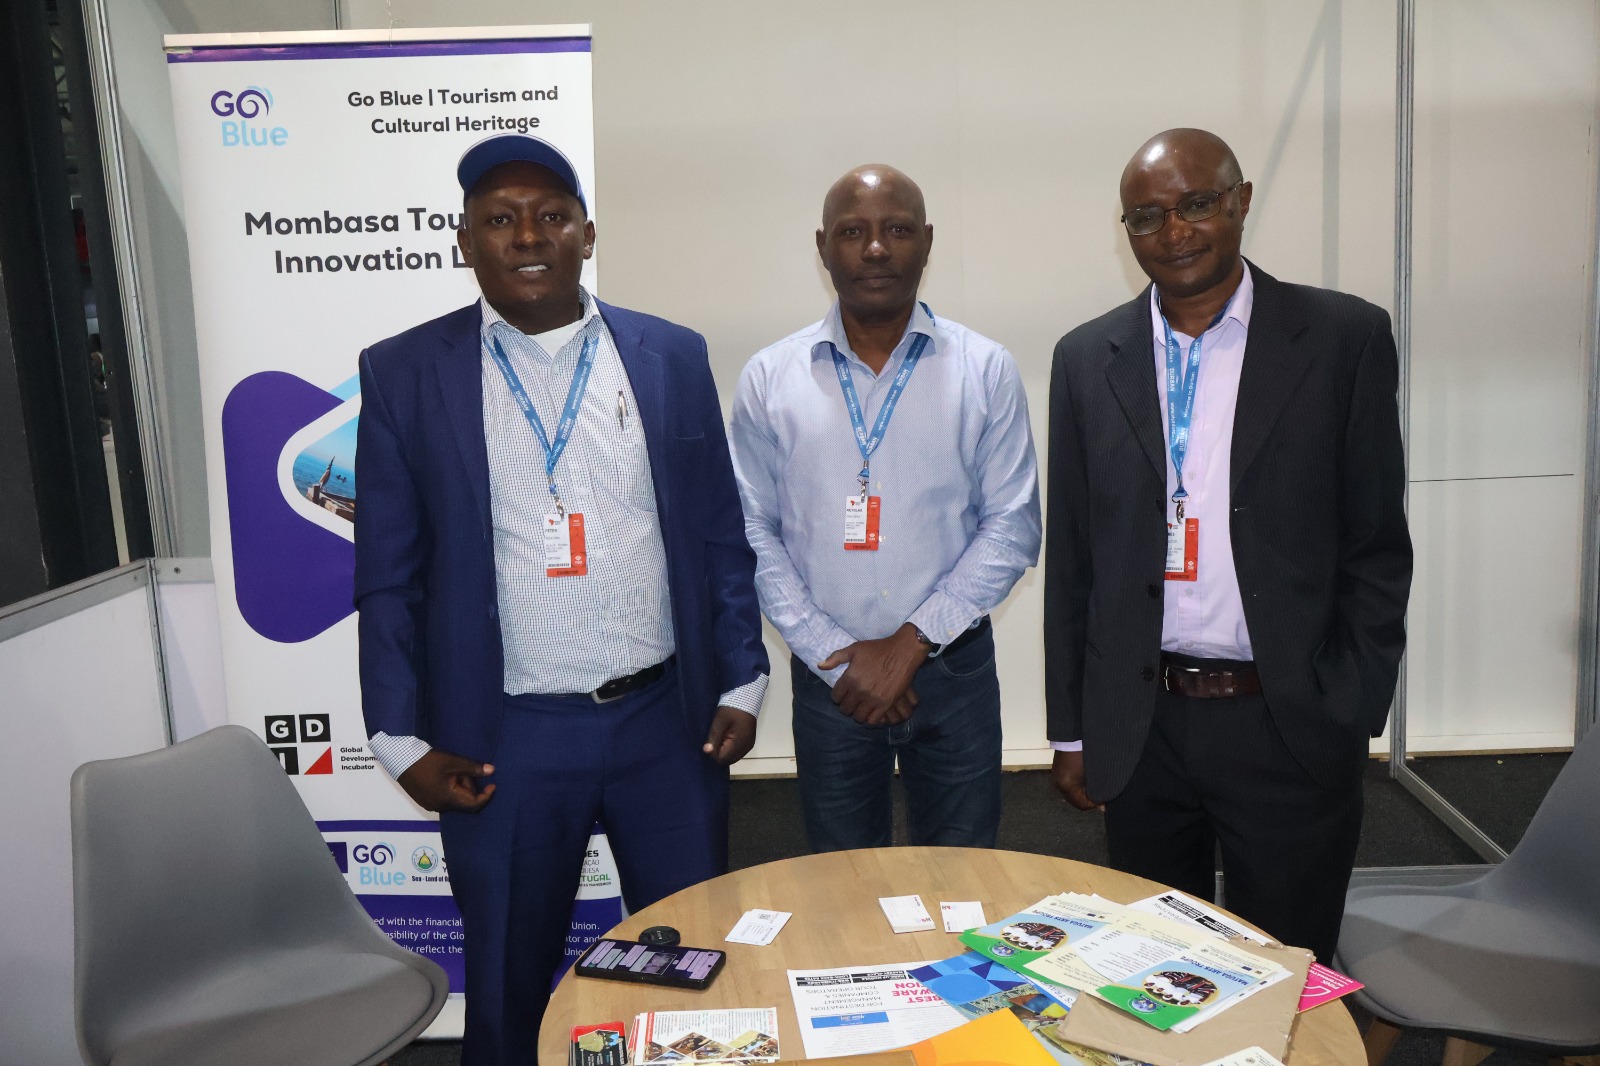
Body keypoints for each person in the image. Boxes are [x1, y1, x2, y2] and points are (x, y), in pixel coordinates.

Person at [354, 134, 768, 1064]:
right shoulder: (403, 374)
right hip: (503, 742)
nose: (527, 234)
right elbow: (387, 572)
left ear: (588, 234)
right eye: (499, 219)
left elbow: (716, 533)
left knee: (694, 973)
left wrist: (742, 677)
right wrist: (395, 736)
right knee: (506, 985)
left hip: (665, 728)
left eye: (550, 215)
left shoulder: (670, 354)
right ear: (466, 241)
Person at [1044, 128, 1412, 964]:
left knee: (1286, 967)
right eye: (1147, 216)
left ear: (1241, 202)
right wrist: (1073, 729)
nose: (1173, 232)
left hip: (1286, 719)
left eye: (1196, 204)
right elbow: (1074, 563)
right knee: (1151, 970)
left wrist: (1347, 704)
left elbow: (1377, 547)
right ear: (1125, 231)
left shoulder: (1342, 338)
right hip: (1144, 727)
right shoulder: (1084, 358)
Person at [730, 164, 1040, 852]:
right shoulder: (770, 378)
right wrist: (836, 658)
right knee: (842, 889)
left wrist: (910, 642)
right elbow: (752, 530)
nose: (876, 249)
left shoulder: (985, 369)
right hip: (828, 684)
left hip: (952, 673)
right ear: (823, 247)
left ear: (926, 242)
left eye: (897, 230)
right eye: (853, 232)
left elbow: (1013, 525)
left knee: (964, 888)